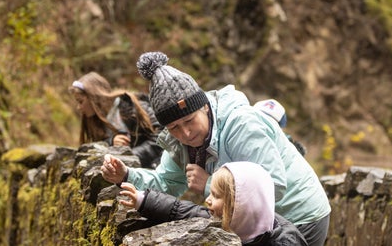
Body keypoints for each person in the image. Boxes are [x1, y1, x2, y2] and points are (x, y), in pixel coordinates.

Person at [101, 51, 331, 246]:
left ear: (204, 107)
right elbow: (167, 183)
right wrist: (126, 175)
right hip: (252, 222)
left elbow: (272, 185)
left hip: (300, 214)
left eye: (190, 121)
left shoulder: (240, 125)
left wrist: (208, 184)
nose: (186, 134)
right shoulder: (180, 142)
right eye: (174, 127)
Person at [118, 161, 307, 245]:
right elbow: (182, 211)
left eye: (216, 196)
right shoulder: (227, 219)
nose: (207, 199)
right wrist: (144, 200)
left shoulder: (284, 241)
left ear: (239, 204)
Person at [69, 72, 163, 169]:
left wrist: (130, 156)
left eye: (81, 101)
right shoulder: (96, 123)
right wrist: (112, 142)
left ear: (94, 96)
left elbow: (160, 137)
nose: (79, 107)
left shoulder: (135, 107)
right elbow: (98, 150)